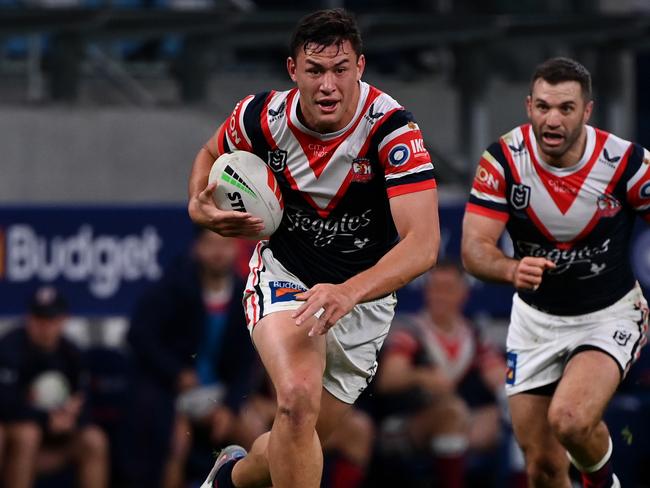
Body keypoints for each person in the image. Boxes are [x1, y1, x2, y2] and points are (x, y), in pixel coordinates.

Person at [187, 8, 440, 488]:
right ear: (292, 71)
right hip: (287, 275)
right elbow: (209, 153)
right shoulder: (262, 116)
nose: (328, 85)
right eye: (315, 71)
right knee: (297, 400)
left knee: (295, 438)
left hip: (362, 300)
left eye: (340, 70)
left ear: (360, 69)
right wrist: (199, 208)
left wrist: (348, 292)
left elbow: (424, 245)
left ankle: (228, 479)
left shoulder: (391, 131)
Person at [461, 56, 650, 488]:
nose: (553, 119)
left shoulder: (626, 163)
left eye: (565, 108)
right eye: (544, 106)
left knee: (570, 420)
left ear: (587, 111)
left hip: (609, 315)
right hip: (535, 324)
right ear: (529, 106)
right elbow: (474, 250)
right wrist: (510, 269)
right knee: (543, 469)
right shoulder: (504, 161)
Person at [124, 227, 264, 488]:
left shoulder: (244, 295)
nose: (218, 253)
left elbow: (245, 364)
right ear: (197, 248)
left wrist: (230, 407)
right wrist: (177, 373)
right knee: (175, 442)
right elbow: (139, 337)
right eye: (211, 245)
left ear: (236, 249)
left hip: (219, 394)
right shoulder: (172, 288)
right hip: (171, 394)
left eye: (225, 245)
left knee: (257, 435)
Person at [371, 261, 505, 488]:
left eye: (448, 289)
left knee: (497, 416)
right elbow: (389, 379)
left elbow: (497, 374)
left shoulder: (472, 334)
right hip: (403, 427)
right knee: (451, 413)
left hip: (457, 422)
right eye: (434, 288)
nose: (439, 296)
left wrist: (512, 397)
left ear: (463, 294)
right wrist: (421, 376)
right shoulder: (411, 330)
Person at [0, 285, 108, 488]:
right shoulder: (10, 347)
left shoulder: (71, 352)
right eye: (38, 319)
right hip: (19, 438)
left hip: (58, 437)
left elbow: (85, 401)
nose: (44, 327)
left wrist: (71, 418)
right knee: (28, 434)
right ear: (28, 318)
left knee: (94, 439)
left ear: (63, 320)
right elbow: (5, 402)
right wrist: (44, 420)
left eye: (51, 320)